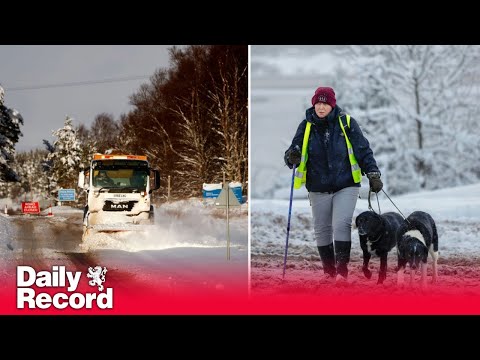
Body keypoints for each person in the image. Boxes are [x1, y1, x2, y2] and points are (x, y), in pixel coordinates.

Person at [284, 86, 383, 284]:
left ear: (332, 105)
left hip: (346, 184)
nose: (321, 107)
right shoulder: (306, 127)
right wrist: (291, 156)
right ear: (314, 104)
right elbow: (292, 154)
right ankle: (328, 272)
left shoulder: (347, 123)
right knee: (321, 228)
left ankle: (341, 272)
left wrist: (373, 173)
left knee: (341, 224)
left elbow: (363, 151)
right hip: (317, 186)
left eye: (325, 103)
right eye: (318, 103)